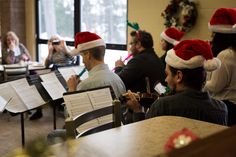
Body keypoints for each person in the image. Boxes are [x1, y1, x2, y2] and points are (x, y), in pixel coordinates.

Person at [47, 31, 126, 144]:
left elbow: (70, 120)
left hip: (94, 138)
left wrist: (71, 91)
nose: (83, 61)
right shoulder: (117, 78)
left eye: (82, 56)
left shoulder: (85, 85)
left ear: (88, 55)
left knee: (53, 135)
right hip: (116, 135)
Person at [124, 39, 228, 126]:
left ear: (178, 76)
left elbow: (144, 138)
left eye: (167, 74)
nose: (165, 79)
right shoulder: (221, 109)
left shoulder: (162, 106)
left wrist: (137, 111)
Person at [204, 8, 236, 126]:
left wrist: (198, 82)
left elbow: (215, 86)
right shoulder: (233, 52)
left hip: (227, 106)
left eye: (214, 34)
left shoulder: (226, 54)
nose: (212, 38)